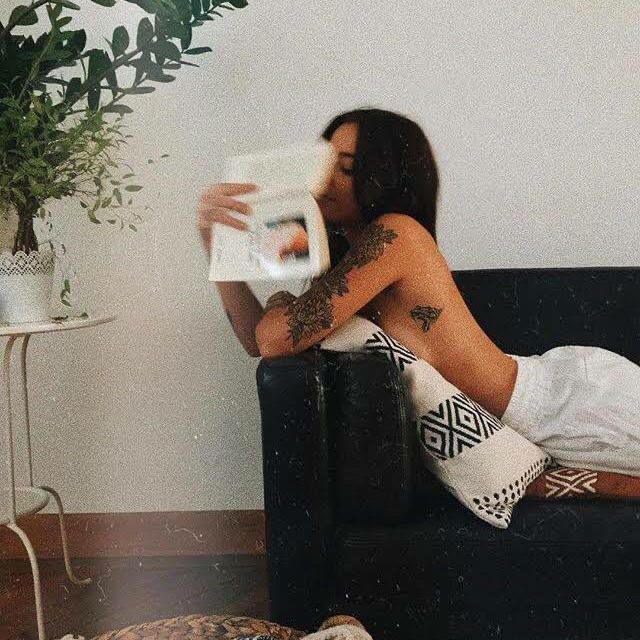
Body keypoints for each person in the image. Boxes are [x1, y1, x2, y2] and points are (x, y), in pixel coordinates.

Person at [197, 107, 640, 477]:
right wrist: (215, 242)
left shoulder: (397, 235)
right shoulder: (346, 266)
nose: (324, 180)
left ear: (386, 176)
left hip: (568, 405)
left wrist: (275, 270)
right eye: (322, 163)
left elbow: (274, 336)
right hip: (548, 410)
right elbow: (258, 342)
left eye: (346, 168)